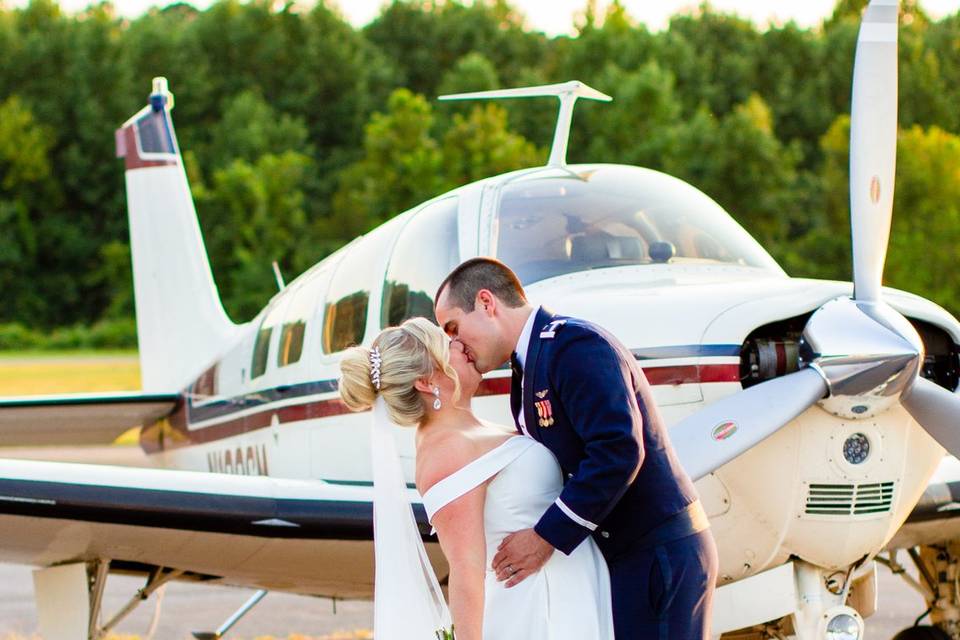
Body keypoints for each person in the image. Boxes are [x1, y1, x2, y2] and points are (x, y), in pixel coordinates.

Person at [434, 257, 719, 640]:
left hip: (656, 552)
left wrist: (546, 537)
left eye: (453, 328)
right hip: (624, 554)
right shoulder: (531, 362)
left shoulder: (573, 345)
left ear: (486, 303)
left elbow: (617, 450)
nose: (455, 344)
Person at [338, 317, 614, 640]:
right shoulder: (446, 451)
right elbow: (466, 571)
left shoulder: (469, 432)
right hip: (537, 614)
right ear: (427, 382)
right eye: (447, 344)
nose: (460, 343)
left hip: (571, 598)